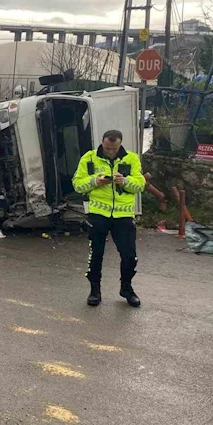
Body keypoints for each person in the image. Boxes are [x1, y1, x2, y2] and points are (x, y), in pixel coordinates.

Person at [73, 130, 146, 307]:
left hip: (123, 216)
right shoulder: (89, 158)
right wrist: (94, 181)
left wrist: (125, 181)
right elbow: (77, 184)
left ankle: (126, 288)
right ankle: (94, 291)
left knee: (130, 256)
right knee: (96, 255)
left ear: (120, 144)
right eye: (107, 148)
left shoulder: (131, 158)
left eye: (114, 148)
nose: (111, 151)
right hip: (98, 214)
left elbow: (141, 185)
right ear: (102, 143)